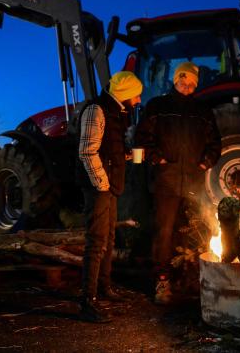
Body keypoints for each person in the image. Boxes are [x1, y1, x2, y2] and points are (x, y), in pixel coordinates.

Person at [135, 61, 221, 304]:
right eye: (183, 79)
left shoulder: (203, 111)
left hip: (194, 182)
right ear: (175, 80)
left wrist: (205, 163)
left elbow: (215, 143)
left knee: (194, 229)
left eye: (192, 81)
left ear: (196, 83)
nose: (187, 84)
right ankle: (162, 280)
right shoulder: (158, 106)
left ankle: (191, 279)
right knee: (164, 231)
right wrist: (158, 159)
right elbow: (143, 137)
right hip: (167, 180)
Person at [77, 71, 143, 323]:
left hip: (109, 186)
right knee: (96, 241)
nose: (138, 100)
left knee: (110, 238)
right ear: (125, 94)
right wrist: (102, 182)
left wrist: (124, 156)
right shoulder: (97, 110)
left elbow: (106, 148)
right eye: (135, 94)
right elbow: (87, 151)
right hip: (98, 188)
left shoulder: (115, 112)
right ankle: (87, 301)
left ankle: (104, 287)